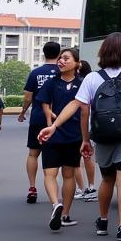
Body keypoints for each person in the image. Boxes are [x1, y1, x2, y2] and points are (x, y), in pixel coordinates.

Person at [39, 33, 121, 241]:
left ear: (103, 53)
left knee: (108, 179)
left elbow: (80, 109)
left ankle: (102, 221)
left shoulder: (92, 78)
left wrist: (66, 131)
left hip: (102, 136)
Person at [34, 48, 83, 230]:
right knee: (52, 173)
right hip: (52, 134)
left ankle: (61, 209)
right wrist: (49, 118)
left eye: (66, 58)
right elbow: (44, 103)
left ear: (77, 63)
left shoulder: (82, 83)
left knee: (64, 175)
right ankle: (59, 208)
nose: (61, 61)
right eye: (60, 58)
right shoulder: (51, 83)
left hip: (73, 135)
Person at [18, 40, 62, 204]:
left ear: (43, 53)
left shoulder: (35, 73)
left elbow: (28, 97)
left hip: (37, 117)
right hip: (59, 120)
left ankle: (32, 187)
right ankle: (56, 191)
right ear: (59, 54)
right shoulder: (63, 71)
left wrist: (23, 112)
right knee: (58, 156)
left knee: (33, 153)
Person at [75, 59, 97, 201]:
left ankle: (80, 188)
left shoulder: (76, 83)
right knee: (87, 156)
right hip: (90, 123)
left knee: (75, 159)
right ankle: (91, 186)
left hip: (77, 123)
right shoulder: (92, 80)